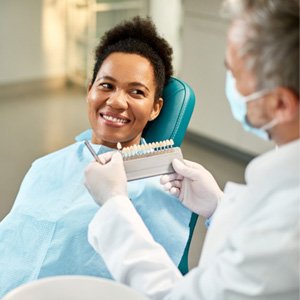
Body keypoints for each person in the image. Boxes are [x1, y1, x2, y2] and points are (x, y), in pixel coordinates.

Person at [85, 0, 300, 299]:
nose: (117, 102)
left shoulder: (289, 225)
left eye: (235, 75)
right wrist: (219, 207)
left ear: (279, 104)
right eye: (106, 85)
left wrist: (113, 205)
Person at [0, 17, 194, 297]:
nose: (116, 101)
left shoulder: (162, 185)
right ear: (89, 89)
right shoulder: (45, 167)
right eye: (106, 85)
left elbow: (154, 286)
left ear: (155, 108)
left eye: (136, 92)